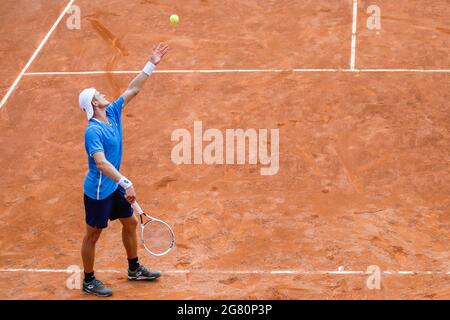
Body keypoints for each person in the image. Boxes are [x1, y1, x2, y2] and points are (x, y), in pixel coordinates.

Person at [78, 43, 169, 297]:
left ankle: (134, 268)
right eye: (99, 94)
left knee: (129, 222)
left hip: (115, 184)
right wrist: (125, 182)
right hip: (98, 190)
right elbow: (101, 163)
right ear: (94, 104)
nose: (103, 94)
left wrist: (151, 63)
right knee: (93, 234)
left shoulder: (114, 112)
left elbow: (134, 88)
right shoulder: (93, 131)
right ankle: (88, 280)